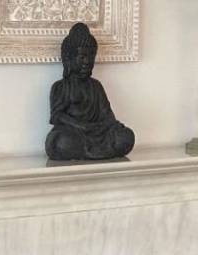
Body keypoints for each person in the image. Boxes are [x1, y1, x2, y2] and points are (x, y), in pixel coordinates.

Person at [45, 23, 135, 162]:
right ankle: (88, 150)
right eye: (82, 57)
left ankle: (88, 151)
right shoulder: (61, 87)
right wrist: (80, 125)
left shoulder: (95, 86)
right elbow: (56, 116)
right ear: (69, 58)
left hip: (98, 133)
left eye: (91, 56)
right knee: (61, 142)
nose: (87, 62)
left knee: (126, 137)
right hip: (75, 132)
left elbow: (108, 116)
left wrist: (105, 127)